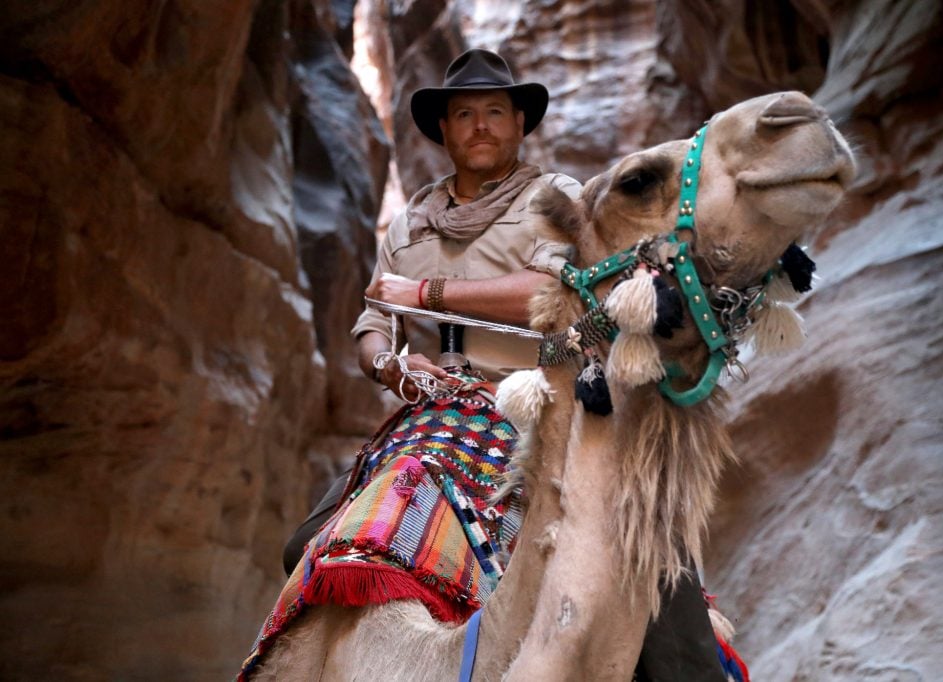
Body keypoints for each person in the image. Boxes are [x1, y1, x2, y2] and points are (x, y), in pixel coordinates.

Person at [282, 48, 726, 681]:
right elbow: (373, 323)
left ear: (521, 125)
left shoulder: (557, 198)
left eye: (496, 111)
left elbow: (549, 295)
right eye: (465, 113)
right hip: (436, 415)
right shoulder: (408, 225)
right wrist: (391, 368)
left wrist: (428, 295)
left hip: (547, 404)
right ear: (444, 129)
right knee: (305, 547)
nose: (481, 125)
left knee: (644, 543)